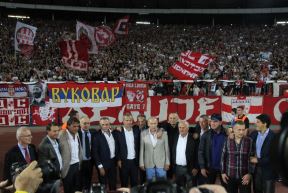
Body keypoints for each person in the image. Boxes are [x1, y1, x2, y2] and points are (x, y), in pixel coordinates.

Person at [221, 121, 254, 193]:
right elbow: (223, 157)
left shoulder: (249, 141)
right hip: (230, 176)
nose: (241, 132)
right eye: (239, 130)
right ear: (233, 129)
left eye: (243, 129)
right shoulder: (227, 140)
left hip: (244, 177)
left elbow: (252, 159)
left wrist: (249, 174)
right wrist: (222, 173)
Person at [250, 114, 277, 193]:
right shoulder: (254, 134)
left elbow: (274, 156)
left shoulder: (273, 137)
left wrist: (258, 160)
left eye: (258, 122)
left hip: (268, 170)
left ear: (264, 124)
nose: (256, 124)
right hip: (256, 169)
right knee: (257, 190)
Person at [198, 114, 227, 185]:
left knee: (225, 189)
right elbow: (200, 151)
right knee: (209, 189)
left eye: (215, 121)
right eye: (211, 121)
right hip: (209, 167)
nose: (212, 123)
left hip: (224, 168)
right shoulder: (206, 135)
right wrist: (202, 167)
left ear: (220, 122)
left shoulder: (226, 134)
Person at [139, 117, 170, 181]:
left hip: (161, 163)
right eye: (151, 123)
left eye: (155, 123)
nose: (153, 125)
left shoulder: (164, 133)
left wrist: (167, 162)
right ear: (148, 124)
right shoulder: (143, 133)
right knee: (150, 184)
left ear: (157, 124)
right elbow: (142, 149)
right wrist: (141, 163)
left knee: (162, 184)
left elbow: (166, 149)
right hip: (148, 163)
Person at [92, 117, 118, 190]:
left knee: (113, 184)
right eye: (103, 125)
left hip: (113, 162)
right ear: (100, 125)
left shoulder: (114, 133)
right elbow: (95, 153)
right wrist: (100, 167)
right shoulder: (96, 136)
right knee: (103, 185)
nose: (105, 126)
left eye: (107, 124)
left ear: (110, 124)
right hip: (103, 164)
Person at [172, 120, 198, 189]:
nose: (181, 129)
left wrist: (196, 167)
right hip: (178, 168)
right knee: (179, 188)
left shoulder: (193, 138)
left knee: (191, 188)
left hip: (190, 168)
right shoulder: (175, 136)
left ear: (188, 128)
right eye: (180, 127)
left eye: (183, 127)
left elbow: (197, 153)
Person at [59, 117, 83, 193]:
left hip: (77, 165)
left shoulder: (77, 134)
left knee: (77, 188)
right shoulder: (61, 135)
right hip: (67, 166)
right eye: (74, 126)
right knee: (68, 189)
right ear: (68, 126)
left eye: (78, 126)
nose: (76, 128)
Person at [116, 113, 140, 187]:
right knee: (124, 182)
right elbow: (117, 147)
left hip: (134, 161)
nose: (129, 122)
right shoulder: (118, 132)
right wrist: (119, 159)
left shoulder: (136, 130)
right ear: (123, 121)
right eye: (127, 120)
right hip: (123, 162)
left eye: (130, 120)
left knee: (134, 183)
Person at [78, 116, 96, 191]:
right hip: (80, 161)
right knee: (79, 182)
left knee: (88, 180)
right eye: (84, 123)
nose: (86, 125)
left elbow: (105, 131)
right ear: (80, 124)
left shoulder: (93, 132)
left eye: (88, 123)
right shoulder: (76, 133)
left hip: (90, 161)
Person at [160, 113, 179, 179]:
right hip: (168, 154)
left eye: (174, 118)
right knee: (168, 175)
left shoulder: (180, 126)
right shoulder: (165, 125)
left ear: (177, 119)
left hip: (178, 154)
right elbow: (162, 128)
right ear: (168, 119)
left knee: (178, 175)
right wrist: (161, 130)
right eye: (170, 118)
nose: (172, 120)